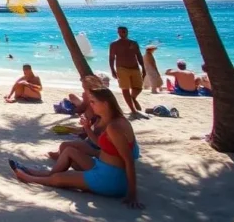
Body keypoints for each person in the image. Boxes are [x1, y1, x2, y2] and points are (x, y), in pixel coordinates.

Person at [10, 88, 143, 209]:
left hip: (109, 178)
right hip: (102, 167)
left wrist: (132, 195)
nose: (90, 105)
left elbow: (129, 160)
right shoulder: (114, 120)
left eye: (93, 102)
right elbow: (102, 145)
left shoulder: (114, 127)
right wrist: (86, 128)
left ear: (105, 104)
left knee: (60, 178)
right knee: (69, 151)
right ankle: (44, 173)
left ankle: (30, 178)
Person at [108, 26, 145, 115]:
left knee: (138, 88)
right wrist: (112, 70)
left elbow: (139, 55)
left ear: (127, 32)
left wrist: (143, 67)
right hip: (122, 68)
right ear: (118, 33)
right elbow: (112, 58)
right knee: (125, 89)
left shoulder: (134, 43)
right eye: (120, 32)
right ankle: (133, 109)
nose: (122, 33)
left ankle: (133, 98)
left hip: (135, 67)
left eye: (124, 32)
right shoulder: (114, 44)